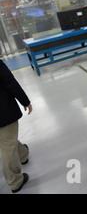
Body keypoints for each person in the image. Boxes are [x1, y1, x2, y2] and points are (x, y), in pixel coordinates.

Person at [0, 59, 32, 193]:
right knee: (8, 145)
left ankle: (23, 154)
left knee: (7, 139)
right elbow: (10, 82)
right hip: (2, 112)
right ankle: (15, 182)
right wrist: (25, 101)